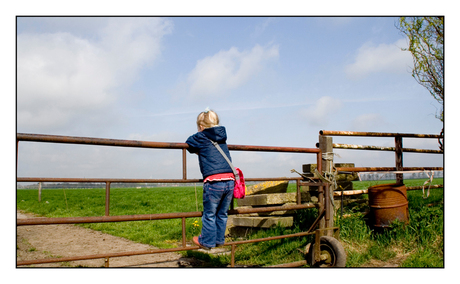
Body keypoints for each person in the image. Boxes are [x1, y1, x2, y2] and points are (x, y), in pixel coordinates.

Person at [186, 108, 234, 250]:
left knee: (210, 214)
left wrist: (200, 133)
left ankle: (207, 241)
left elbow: (189, 142)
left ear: (201, 127)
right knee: (222, 214)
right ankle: (219, 240)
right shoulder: (222, 137)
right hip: (230, 180)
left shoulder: (201, 137)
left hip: (214, 182)